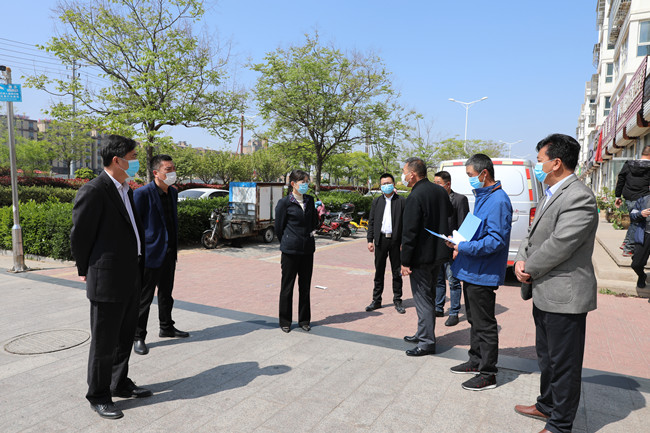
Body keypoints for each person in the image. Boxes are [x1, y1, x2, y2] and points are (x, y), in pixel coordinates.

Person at [513, 134, 598, 433]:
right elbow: (532, 235)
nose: (538, 166)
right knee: (547, 358)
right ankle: (546, 405)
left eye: (540, 161)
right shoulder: (549, 193)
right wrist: (520, 260)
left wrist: (529, 267)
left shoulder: (579, 197)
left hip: (565, 295)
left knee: (564, 364)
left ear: (556, 163)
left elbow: (561, 244)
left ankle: (560, 425)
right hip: (544, 292)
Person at [70, 134, 152, 420]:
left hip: (132, 275)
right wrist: (85, 270)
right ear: (117, 160)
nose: (136, 162)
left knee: (124, 336)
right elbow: (80, 236)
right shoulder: (94, 190)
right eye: (133, 157)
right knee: (104, 341)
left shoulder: (126, 189)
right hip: (107, 279)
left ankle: (119, 383)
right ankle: (99, 395)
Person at [447, 154, 512, 391]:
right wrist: (457, 240)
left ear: (484, 173)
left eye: (471, 175)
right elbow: (475, 229)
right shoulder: (484, 197)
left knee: (484, 324)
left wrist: (463, 246)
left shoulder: (498, 200)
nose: (469, 180)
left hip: (483, 273)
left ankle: (488, 373)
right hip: (471, 269)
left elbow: (495, 240)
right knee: (474, 320)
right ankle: (475, 361)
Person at [132, 154, 188, 356]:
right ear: (156, 172)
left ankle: (166, 327)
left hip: (169, 252)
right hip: (150, 254)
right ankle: (138, 336)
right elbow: (134, 226)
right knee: (144, 298)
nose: (173, 173)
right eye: (168, 169)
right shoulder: (142, 194)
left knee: (166, 294)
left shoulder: (172, 192)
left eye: (173, 168)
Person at [400, 157, 452, 356]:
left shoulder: (415, 196)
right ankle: (423, 332)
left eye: (404, 172)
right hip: (438, 254)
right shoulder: (440, 191)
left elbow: (410, 232)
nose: (403, 176)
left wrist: (405, 261)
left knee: (422, 299)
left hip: (421, 257)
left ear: (412, 174)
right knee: (429, 296)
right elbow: (448, 216)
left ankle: (426, 342)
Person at [274, 169, 320, 333]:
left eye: (307, 182)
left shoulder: (309, 200)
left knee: (305, 287)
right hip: (290, 251)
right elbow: (279, 228)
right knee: (287, 287)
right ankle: (285, 321)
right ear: (293, 184)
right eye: (303, 182)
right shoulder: (284, 203)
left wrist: (319, 213)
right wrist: (288, 241)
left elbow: (314, 223)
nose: (306, 185)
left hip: (307, 250)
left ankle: (304, 320)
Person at [365, 173, 406, 314]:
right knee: (379, 272)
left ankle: (398, 300)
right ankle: (376, 300)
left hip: (396, 241)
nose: (386, 186)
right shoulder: (377, 202)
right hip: (380, 240)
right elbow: (371, 222)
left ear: (394, 184)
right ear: (380, 186)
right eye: (383, 184)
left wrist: (404, 242)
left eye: (388, 183)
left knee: (397, 272)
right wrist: (370, 240)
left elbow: (406, 224)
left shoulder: (402, 201)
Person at [433, 170, 469, 326]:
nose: (436, 186)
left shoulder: (459, 199)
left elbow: (464, 225)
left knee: (453, 281)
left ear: (448, 184)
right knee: (438, 280)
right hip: (437, 248)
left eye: (438, 184)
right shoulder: (434, 200)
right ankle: (438, 307)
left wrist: (457, 247)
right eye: (434, 183)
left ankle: (454, 312)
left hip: (452, 248)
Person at [614, 145, 650, 257]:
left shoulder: (629, 164)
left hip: (628, 198)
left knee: (634, 221)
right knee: (637, 222)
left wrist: (617, 196)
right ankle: (628, 248)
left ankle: (626, 242)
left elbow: (621, 179)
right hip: (642, 199)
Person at [630, 192, 650, 288]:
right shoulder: (643, 200)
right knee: (636, 264)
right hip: (644, 235)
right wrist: (640, 213)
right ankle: (642, 276)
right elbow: (632, 214)